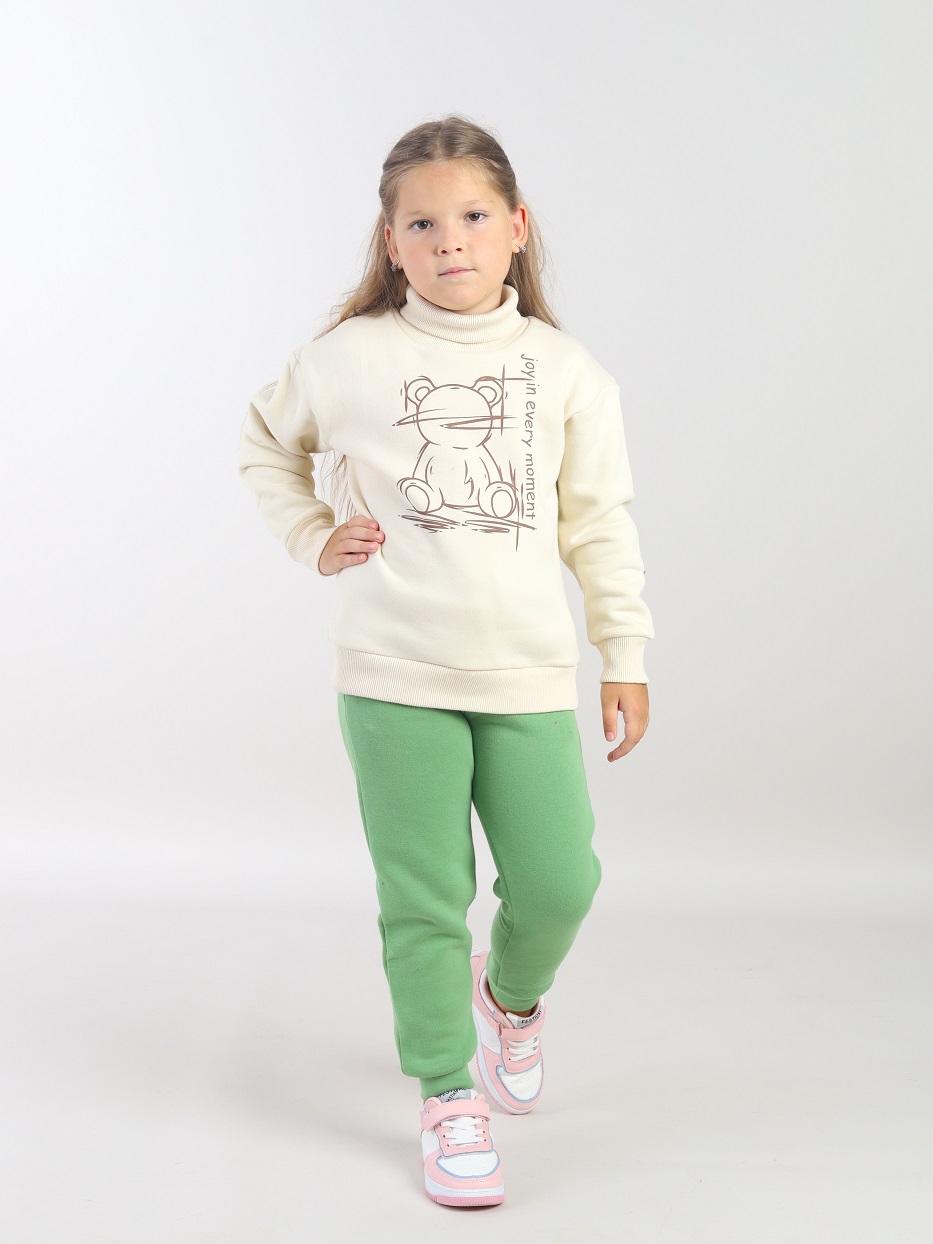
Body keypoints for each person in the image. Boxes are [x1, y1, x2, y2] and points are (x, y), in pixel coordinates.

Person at [237, 114, 655, 1209]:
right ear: (391, 241)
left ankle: (509, 997)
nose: (449, 240)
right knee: (425, 897)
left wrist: (623, 651)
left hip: (525, 674)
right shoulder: (348, 359)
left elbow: (598, 523)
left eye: (472, 216)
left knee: (560, 882)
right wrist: (311, 532)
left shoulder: (566, 372)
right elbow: (264, 442)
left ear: (516, 227)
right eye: (421, 223)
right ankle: (446, 1092)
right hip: (392, 675)